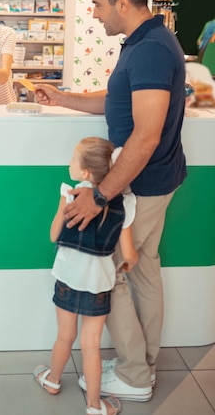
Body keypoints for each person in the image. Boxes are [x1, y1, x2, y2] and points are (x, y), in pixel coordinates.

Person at [35, 0, 187, 403]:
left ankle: (136, 376)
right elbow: (118, 99)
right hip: (153, 179)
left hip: (143, 181)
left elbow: (145, 135)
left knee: (114, 273)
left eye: (98, 3)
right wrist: (64, 98)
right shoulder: (143, 43)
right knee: (143, 271)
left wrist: (101, 194)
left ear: (123, 1)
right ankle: (145, 366)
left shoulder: (153, 49)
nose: (94, 11)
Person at [33, 137, 137, 415]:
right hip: (99, 283)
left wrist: (61, 206)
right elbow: (128, 254)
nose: (69, 163)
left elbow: (54, 235)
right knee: (91, 345)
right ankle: (94, 405)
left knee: (64, 336)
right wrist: (127, 264)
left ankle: (52, 380)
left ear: (85, 173)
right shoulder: (124, 204)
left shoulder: (69, 194)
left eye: (72, 159)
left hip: (67, 277)